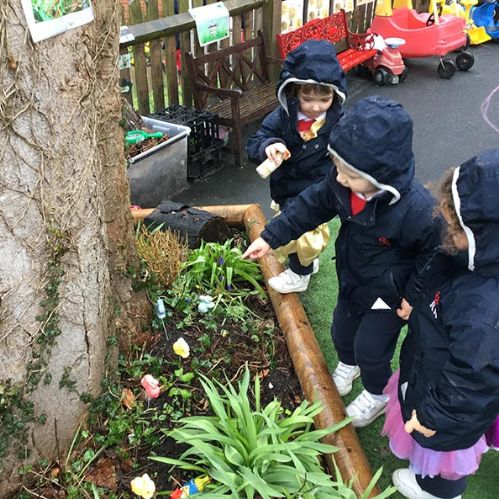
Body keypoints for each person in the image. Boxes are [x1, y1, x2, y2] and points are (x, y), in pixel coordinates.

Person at [243, 96, 440, 427]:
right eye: (337, 166)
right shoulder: (340, 182)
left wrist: (413, 294)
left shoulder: (417, 210)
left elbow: (434, 253)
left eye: (350, 174)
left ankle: (378, 393)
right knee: (341, 330)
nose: (341, 178)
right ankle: (348, 364)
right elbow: (309, 206)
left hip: (390, 294)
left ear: (381, 176)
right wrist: (270, 236)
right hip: (353, 276)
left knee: (372, 349)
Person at [384, 150, 499, 499]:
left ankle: (440, 491)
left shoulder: (483, 310)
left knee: (448, 454)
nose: (446, 230)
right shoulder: (472, 257)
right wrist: (414, 293)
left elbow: (473, 379)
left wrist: (435, 417)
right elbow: (439, 260)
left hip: (446, 396)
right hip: (433, 367)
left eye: (456, 226)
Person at [246, 39, 347, 294]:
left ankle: (299, 275)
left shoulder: (339, 123)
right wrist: (268, 146)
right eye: (307, 99)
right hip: (286, 186)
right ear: (294, 92)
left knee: (302, 234)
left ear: (335, 95)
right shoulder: (283, 118)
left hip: (318, 191)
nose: (315, 107)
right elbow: (256, 141)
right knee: (290, 226)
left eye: (324, 100)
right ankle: (306, 264)